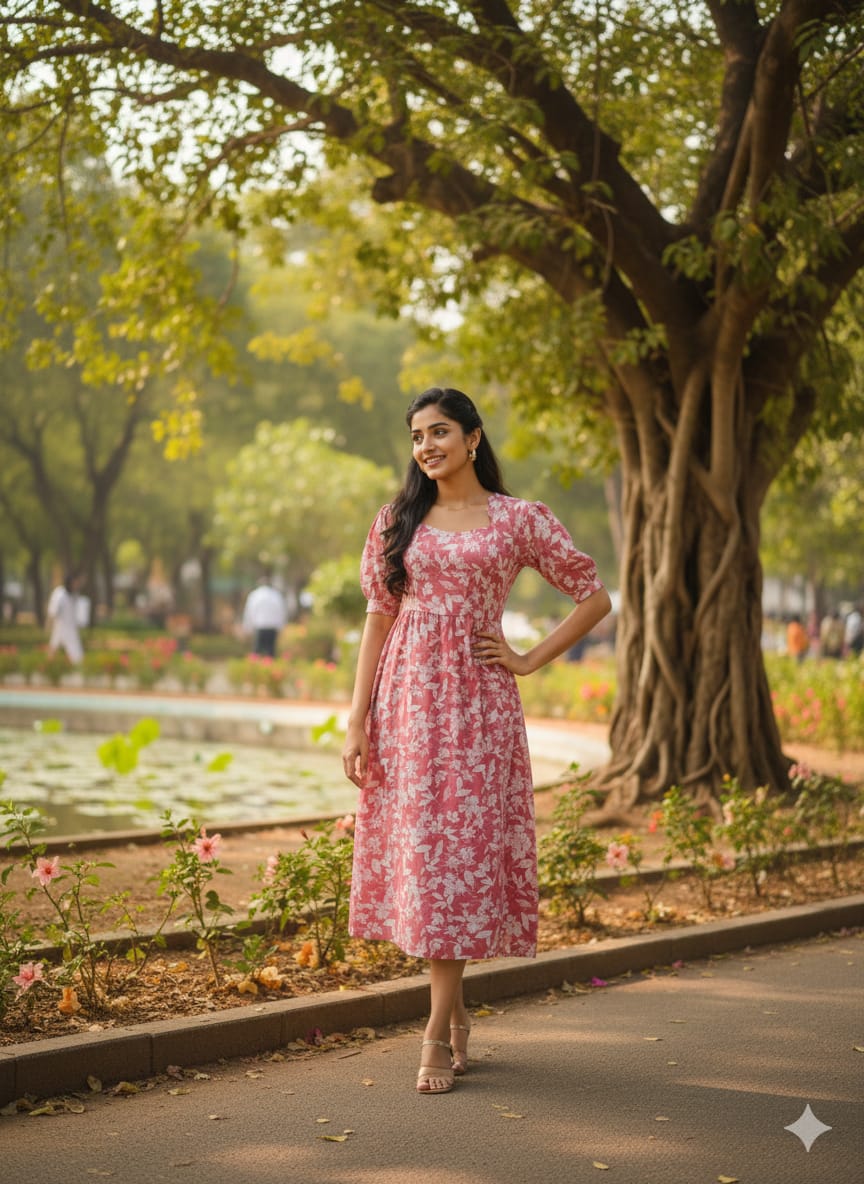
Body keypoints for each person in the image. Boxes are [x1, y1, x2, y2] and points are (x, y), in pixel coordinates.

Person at [341, 387, 611, 1095]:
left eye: (439, 432)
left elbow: (594, 596)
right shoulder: (397, 519)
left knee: (457, 856)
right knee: (428, 859)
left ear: (473, 437)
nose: (426, 446)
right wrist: (357, 717)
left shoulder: (518, 519)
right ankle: (454, 1013)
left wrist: (527, 659)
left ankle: (434, 1031)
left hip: (478, 711)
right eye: (416, 436)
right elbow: (378, 618)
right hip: (408, 704)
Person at [241, 576, 287, 657]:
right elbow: (281, 611)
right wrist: (281, 626)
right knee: (270, 653)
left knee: (257, 652)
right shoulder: (276, 595)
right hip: (272, 627)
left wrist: (248, 627)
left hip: (260, 626)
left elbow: (250, 611)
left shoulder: (255, 595)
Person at [46, 571, 84, 664]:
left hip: (71, 629)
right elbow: (53, 611)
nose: (76, 585)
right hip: (60, 627)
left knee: (77, 655)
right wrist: (49, 625)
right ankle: (48, 668)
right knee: (53, 649)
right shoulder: (59, 594)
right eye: (75, 583)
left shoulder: (74, 595)